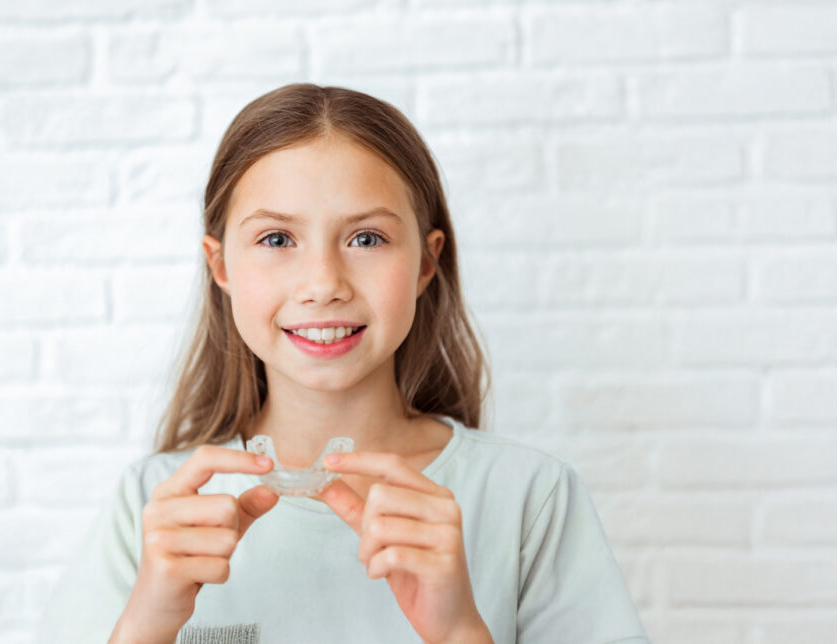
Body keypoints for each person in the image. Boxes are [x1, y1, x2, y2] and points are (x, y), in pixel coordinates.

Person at [35, 83, 650, 644]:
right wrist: (145, 624)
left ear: (426, 264)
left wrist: (461, 631)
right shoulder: (150, 507)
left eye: (366, 238)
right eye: (277, 240)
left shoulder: (531, 499)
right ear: (221, 267)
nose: (323, 283)